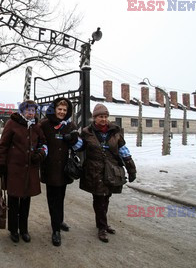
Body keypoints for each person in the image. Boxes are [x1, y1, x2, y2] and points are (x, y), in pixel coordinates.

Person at [80, 103, 137, 243]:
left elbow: (124, 151)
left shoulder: (115, 132)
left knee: (106, 197)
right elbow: (79, 147)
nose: (103, 119)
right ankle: (102, 227)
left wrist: (131, 168)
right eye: (100, 116)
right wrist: (72, 140)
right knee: (99, 198)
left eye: (105, 116)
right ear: (94, 118)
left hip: (111, 171)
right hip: (94, 170)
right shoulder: (87, 132)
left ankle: (102, 224)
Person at [0, 100, 47, 243]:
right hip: (14, 169)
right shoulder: (12, 124)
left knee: (26, 200)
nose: (31, 113)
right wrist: (0, 164)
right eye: (28, 110)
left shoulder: (36, 126)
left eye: (33, 111)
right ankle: (13, 229)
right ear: (22, 111)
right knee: (13, 200)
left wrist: (41, 153)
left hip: (30, 170)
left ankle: (24, 229)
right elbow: (3, 145)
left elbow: (43, 143)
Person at [39, 98, 81, 247]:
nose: (62, 112)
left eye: (64, 110)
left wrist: (73, 139)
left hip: (64, 168)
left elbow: (79, 145)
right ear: (54, 109)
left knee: (61, 196)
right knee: (52, 198)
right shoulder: (44, 124)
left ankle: (59, 220)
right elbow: (38, 141)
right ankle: (55, 229)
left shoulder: (70, 125)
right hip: (49, 167)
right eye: (59, 109)